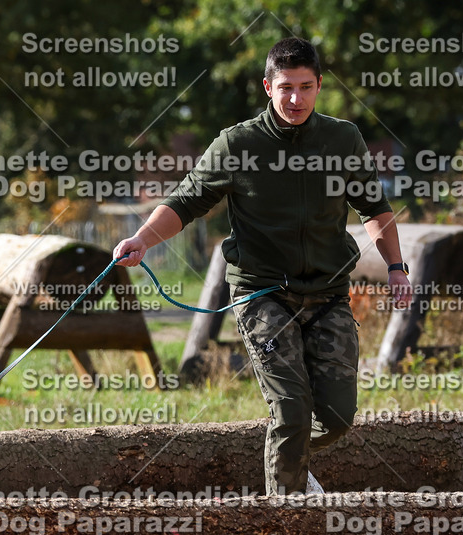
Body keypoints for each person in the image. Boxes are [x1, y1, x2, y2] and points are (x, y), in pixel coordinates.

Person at [113, 37, 412, 495]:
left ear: (319, 87)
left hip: (328, 292)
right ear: (267, 87)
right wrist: (142, 238)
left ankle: (289, 456)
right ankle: (284, 517)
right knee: (291, 409)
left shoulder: (343, 138)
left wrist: (396, 266)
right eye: (286, 87)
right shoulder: (238, 144)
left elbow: (373, 206)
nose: (296, 99)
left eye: (306, 87)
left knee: (335, 418)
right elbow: (187, 200)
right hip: (262, 293)